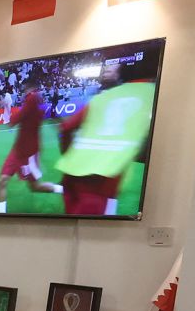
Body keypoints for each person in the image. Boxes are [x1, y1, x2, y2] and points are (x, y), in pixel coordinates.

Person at [55, 58, 157, 216]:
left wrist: (69, 156)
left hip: (72, 176)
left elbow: (66, 127)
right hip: (102, 180)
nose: (107, 70)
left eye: (112, 67)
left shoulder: (100, 99)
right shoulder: (147, 95)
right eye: (106, 67)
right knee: (97, 233)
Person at [0, 75, 63, 214]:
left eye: (24, 87)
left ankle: (64, 190)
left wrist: (6, 107)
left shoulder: (33, 98)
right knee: (2, 180)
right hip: (18, 150)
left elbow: (13, 121)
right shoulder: (34, 98)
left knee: (35, 187)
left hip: (29, 153)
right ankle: (1, 216)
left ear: (30, 86)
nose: (23, 90)